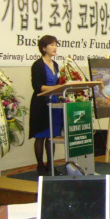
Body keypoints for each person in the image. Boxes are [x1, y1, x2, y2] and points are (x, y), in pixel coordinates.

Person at [28, 35, 63, 176]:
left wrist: (60, 88)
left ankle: (51, 165)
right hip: (41, 103)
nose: (55, 47)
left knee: (52, 136)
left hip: (54, 103)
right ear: (43, 48)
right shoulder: (37, 65)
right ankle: (40, 166)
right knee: (41, 135)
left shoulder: (55, 64)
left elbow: (57, 82)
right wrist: (55, 88)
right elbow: (36, 86)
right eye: (52, 45)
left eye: (56, 45)